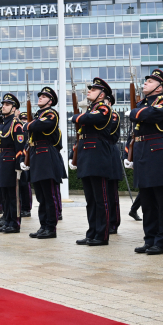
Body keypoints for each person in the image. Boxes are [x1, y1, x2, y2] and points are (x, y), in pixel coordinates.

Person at [127, 69, 163, 255]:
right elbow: (139, 117)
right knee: (147, 201)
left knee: (162, 201)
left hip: (158, 153)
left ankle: (161, 241)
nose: (144, 84)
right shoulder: (142, 103)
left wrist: (136, 112)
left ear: (159, 87)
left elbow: (148, 115)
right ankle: (149, 239)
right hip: (142, 151)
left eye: (149, 82)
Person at [70, 78, 115, 247]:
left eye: (93, 90)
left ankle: (102, 235)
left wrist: (78, 117)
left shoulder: (103, 107)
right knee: (90, 199)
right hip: (87, 155)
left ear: (102, 94)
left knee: (100, 198)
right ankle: (92, 232)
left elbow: (90, 119)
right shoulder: (91, 109)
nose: (89, 91)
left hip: (97, 156)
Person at [24, 87, 62, 238]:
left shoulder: (51, 113)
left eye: (44, 96)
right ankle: (43, 225)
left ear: (50, 101)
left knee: (49, 194)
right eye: (40, 95)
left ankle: (51, 228)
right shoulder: (38, 115)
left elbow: (40, 125)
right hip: (36, 155)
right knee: (40, 195)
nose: (40, 97)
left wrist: (27, 125)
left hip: (46, 154)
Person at [0, 93, 25, 233]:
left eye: (7, 105)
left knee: (13, 195)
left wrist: (19, 165)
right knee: (5, 194)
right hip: (1, 161)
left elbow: (20, 147)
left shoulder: (16, 125)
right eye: (3, 104)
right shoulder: (4, 124)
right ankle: (8, 220)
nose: (3, 106)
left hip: (11, 162)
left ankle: (14, 223)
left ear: (14, 109)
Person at [103, 94, 123, 234]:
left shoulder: (113, 115)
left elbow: (108, 132)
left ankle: (113, 222)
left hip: (109, 152)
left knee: (111, 193)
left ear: (109, 102)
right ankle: (103, 222)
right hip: (99, 152)